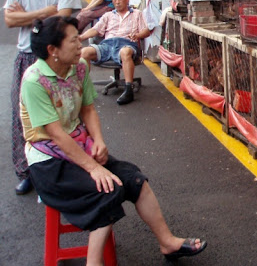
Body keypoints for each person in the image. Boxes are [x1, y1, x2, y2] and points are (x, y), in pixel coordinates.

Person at [21, 16, 207, 264]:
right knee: (108, 189)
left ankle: (168, 242)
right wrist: (93, 167)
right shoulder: (34, 81)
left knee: (134, 179)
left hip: (79, 147)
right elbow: (55, 133)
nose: (80, 45)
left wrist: (98, 141)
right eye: (74, 40)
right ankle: (94, 262)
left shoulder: (79, 68)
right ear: (52, 50)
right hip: (49, 163)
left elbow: (87, 109)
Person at [3, 0, 83, 195]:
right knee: (23, 118)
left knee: (66, 114)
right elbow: (9, 20)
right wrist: (45, 13)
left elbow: (60, 24)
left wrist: (29, 17)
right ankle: (28, 171)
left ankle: (66, 164)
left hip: (58, 60)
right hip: (26, 57)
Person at [79, 0, 150, 105]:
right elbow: (96, 29)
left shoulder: (137, 14)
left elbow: (146, 31)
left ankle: (128, 89)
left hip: (126, 43)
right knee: (84, 52)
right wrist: (81, 37)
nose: (117, 2)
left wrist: (137, 35)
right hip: (107, 44)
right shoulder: (108, 15)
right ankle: (84, 89)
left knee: (125, 52)